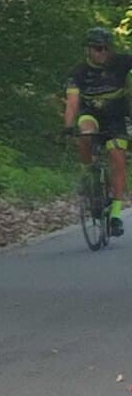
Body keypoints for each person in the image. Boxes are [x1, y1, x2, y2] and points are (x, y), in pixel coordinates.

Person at [64, 25, 132, 237]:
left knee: (118, 160)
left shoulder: (122, 62)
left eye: (106, 48)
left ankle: (116, 214)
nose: (103, 52)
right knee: (85, 133)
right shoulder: (78, 72)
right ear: (88, 49)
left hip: (116, 118)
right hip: (90, 114)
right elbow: (73, 102)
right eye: (97, 48)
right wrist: (67, 126)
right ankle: (88, 173)